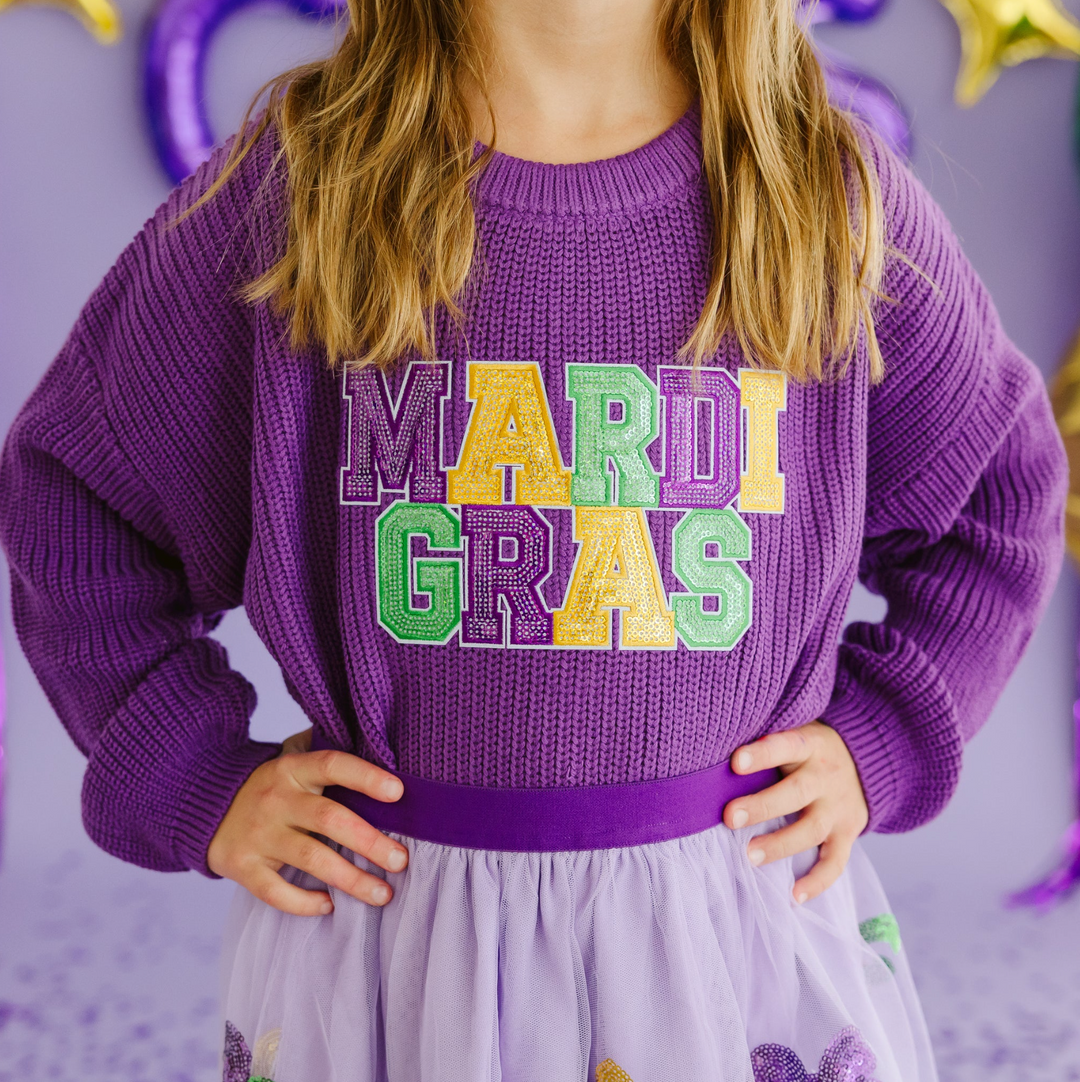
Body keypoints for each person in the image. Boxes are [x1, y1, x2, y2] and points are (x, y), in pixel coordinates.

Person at [0, 0, 1068, 1077]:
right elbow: (76, 496)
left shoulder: (817, 193)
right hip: (396, 948)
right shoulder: (302, 189)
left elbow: (998, 491)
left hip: (727, 942)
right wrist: (192, 773)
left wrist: (885, 735)